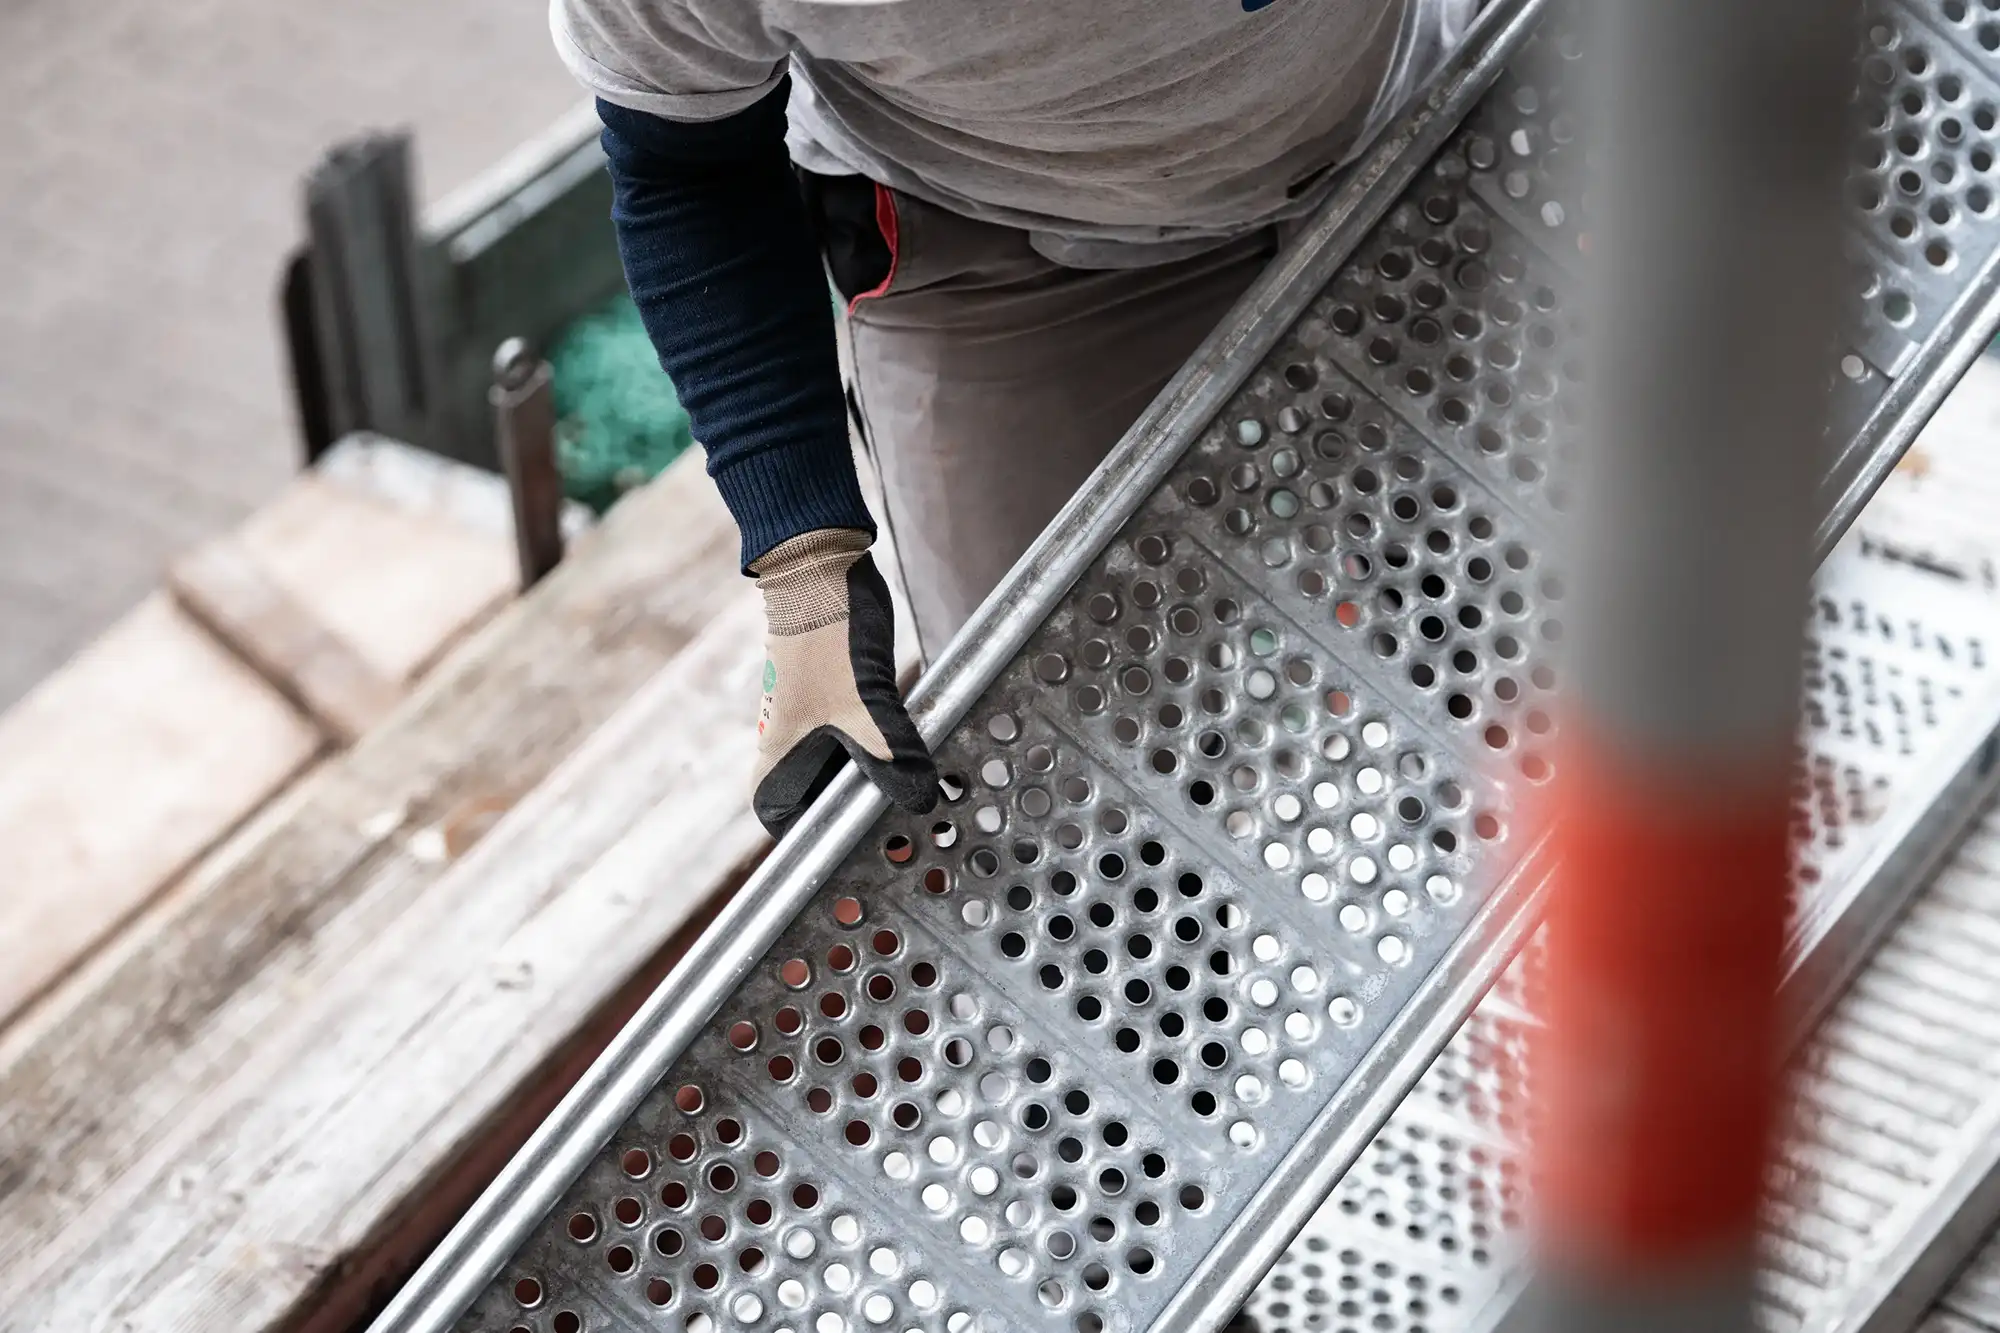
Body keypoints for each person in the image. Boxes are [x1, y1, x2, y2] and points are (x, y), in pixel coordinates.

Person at [554, 0, 1476, 835]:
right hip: (1008, 242)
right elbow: (688, 165)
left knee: (1494, 619)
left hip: (1400, 98)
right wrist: (807, 571)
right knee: (1077, 811)